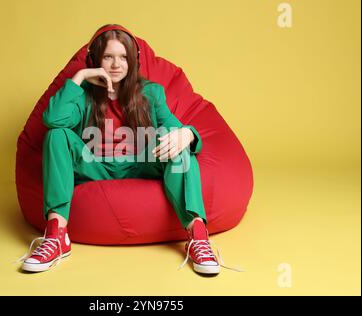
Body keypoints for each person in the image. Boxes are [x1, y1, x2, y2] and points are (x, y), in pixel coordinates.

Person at [18, 24, 221, 275]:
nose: (116, 64)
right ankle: (57, 236)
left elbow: (174, 129)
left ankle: (198, 237)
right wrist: (79, 77)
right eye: (108, 57)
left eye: (123, 57)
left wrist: (188, 134)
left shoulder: (152, 93)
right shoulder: (81, 94)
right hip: (95, 165)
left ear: (133, 60)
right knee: (56, 136)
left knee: (176, 139)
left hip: (141, 163)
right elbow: (53, 120)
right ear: (95, 59)